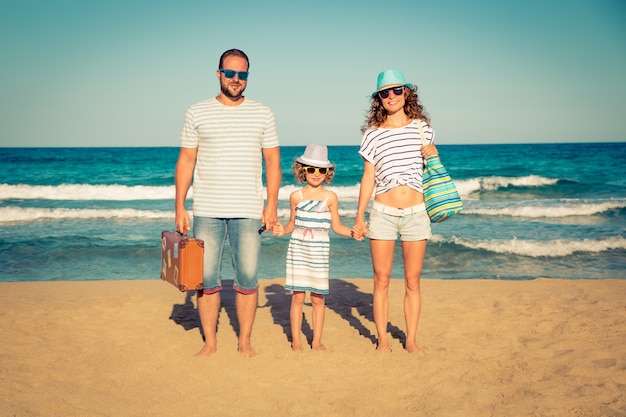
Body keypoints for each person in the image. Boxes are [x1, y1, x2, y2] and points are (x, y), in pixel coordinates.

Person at [174, 48, 281, 358]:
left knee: (247, 279)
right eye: (230, 73)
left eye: (242, 74)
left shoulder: (263, 113)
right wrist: (180, 205)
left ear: (247, 77)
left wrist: (271, 204)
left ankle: (244, 341)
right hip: (206, 209)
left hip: (248, 210)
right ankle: (210, 343)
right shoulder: (197, 111)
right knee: (206, 281)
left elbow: (273, 162)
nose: (236, 79)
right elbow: (186, 160)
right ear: (219, 73)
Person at [353, 69, 439, 353]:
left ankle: (411, 339)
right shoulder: (372, 135)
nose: (391, 96)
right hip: (383, 214)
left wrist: (434, 154)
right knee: (382, 279)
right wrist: (359, 216)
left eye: (396, 90)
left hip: (416, 212)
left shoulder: (422, 128)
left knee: (413, 281)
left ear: (406, 93)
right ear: (379, 98)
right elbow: (369, 178)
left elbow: (432, 169)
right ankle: (382, 339)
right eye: (385, 93)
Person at [273, 144, 361, 352]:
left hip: (319, 252)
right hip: (298, 249)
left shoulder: (331, 198)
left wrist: (352, 233)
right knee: (297, 297)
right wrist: (281, 230)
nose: (316, 174)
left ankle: (317, 341)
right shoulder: (296, 196)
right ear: (302, 170)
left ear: (328, 173)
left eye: (321, 170)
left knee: (318, 298)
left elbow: (337, 226)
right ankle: (296, 341)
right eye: (311, 169)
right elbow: (292, 225)